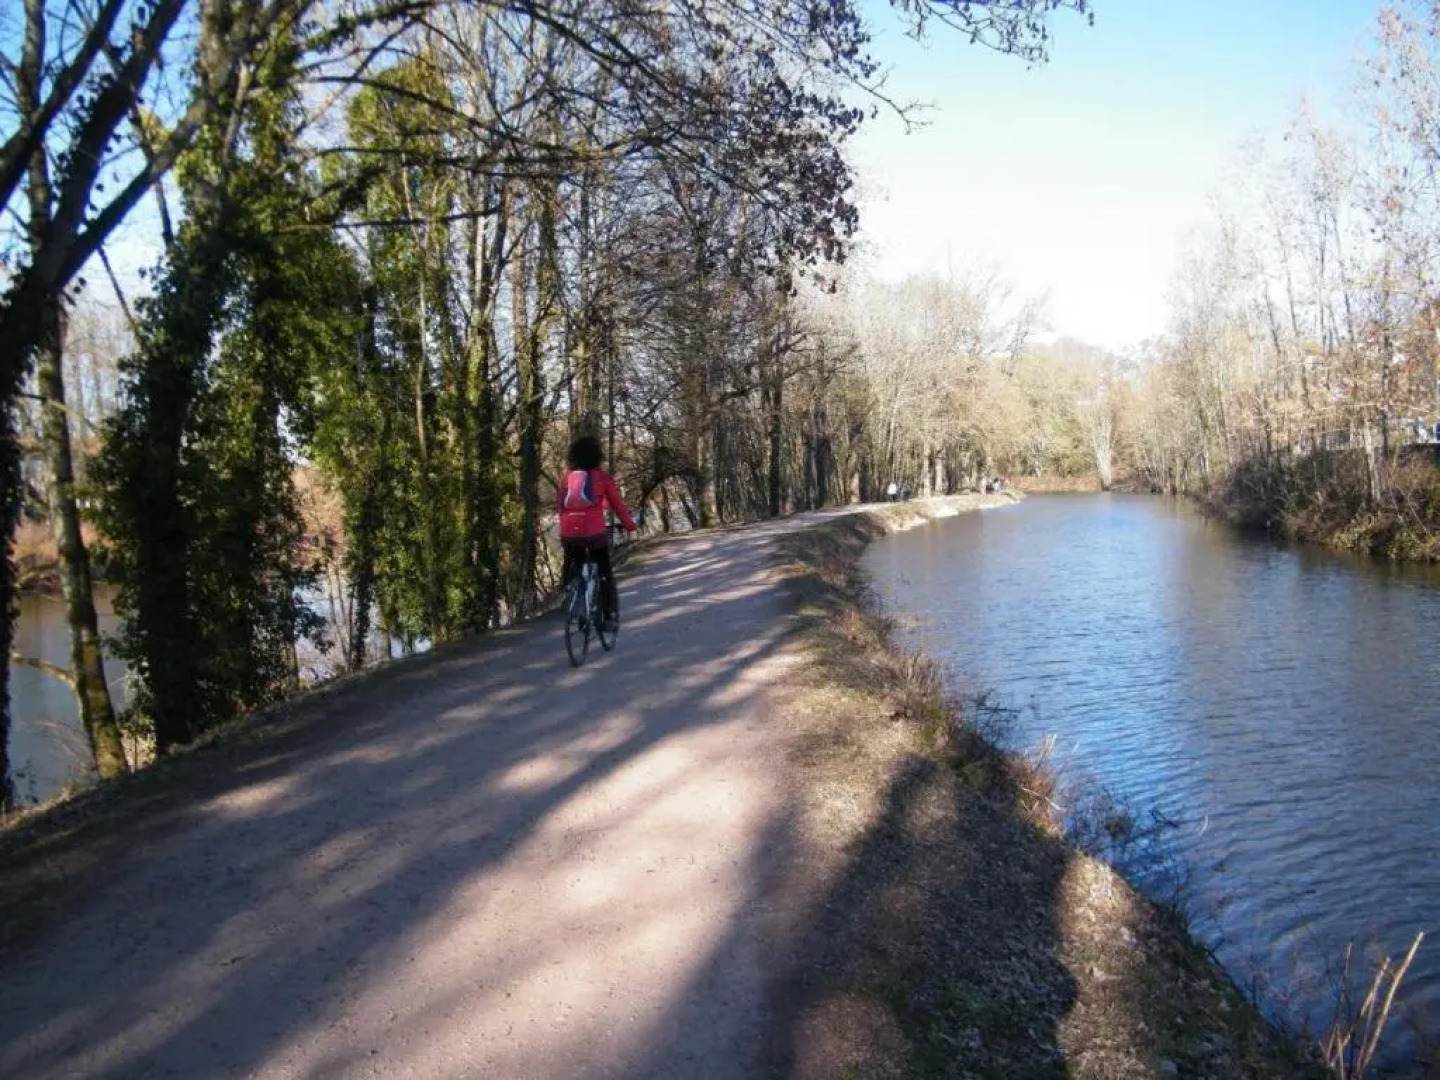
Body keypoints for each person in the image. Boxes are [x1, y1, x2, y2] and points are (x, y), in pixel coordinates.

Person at [558, 433, 637, 628]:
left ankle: (569, 589)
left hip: (568, 530)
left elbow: (561, 507)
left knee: (572, 556)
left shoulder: (566, 478)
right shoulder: (601, 477)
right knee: (604, 571)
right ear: (597, 455)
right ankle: (608, 615)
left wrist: (566, 527)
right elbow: (618, 506)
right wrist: (631, 526)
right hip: (593, 532)